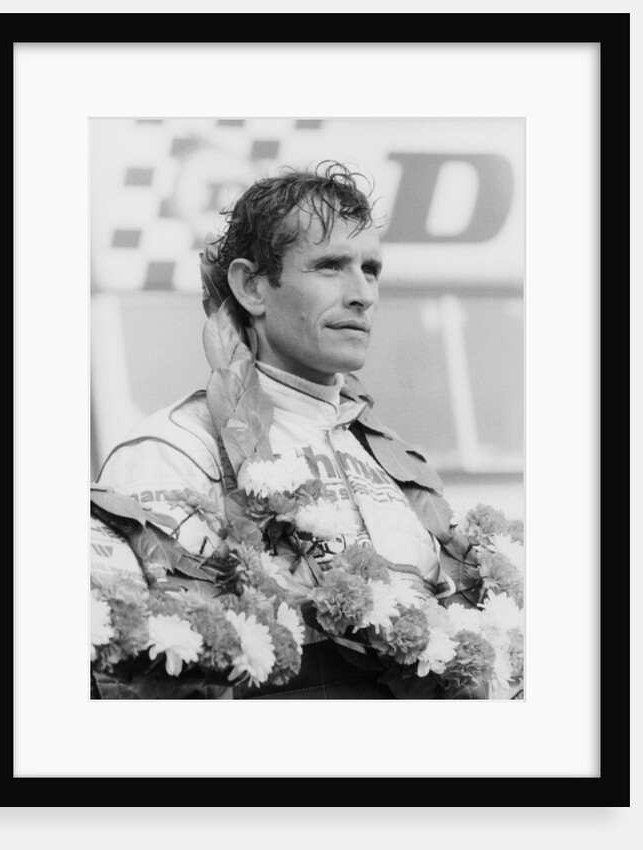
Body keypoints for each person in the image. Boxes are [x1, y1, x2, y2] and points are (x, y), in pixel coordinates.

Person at [96, 161, 483, 699]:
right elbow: (136, 682)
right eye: (330, 266)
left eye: (370, 270)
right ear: (252, 287)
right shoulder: (174, 451)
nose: (362, 294)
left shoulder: (401, 465)